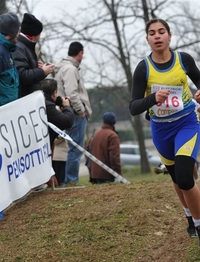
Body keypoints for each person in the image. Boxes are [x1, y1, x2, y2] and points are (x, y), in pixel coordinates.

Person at [129, 18, 200, 251]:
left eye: (161, 32)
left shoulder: (183, 59)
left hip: (187, 123)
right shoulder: (143, 68)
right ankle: (188, 214)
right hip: (161, 129)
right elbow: (134, 106)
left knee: (186, 177)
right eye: (152, 33)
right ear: (147, 39)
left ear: (169, 36)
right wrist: (152, 99)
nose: (157, 36)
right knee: (176, 179)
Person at [55, 42, 92, 185]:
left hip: (69, 111)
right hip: (75, 113)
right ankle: (71, 181)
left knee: (73, 149)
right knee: (75, 149)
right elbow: (72, 93)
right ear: (80, 53)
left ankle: (69, 180)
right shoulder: (70, 69)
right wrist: (81, 110)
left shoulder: (64, 68)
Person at [13, 13, 55, 97]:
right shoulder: (19, 48)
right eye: (39, 33)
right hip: (24, 99)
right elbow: (22, 76)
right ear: (32, 35)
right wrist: (42, 71)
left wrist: (38, 68)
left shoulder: (24, 46)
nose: (40, 36)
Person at [85, 112, 122, 184]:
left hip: (95, 173)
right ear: (114, 122)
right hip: (107, 174)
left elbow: (87, 149)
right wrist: (118, 174)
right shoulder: (112, 136)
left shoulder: (95, 134)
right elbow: (114, 157)